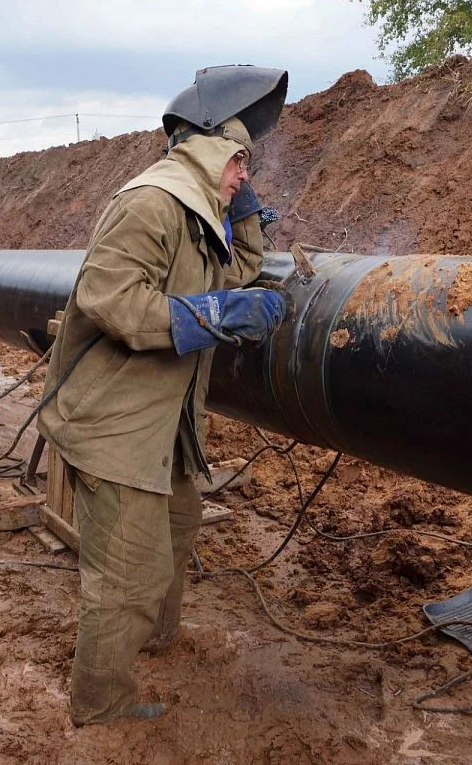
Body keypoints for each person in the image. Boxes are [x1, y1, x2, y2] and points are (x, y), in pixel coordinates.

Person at [37, 66, 290, 726]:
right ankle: (101, 701)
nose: (243, 174)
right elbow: (110, 299)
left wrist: (243, 210)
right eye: (239, 162)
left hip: (163, 421)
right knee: (127, 575)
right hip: (115, 422)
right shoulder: (148, 203)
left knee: (179, 527)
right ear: (209, 152)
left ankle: (150, 634)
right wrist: (216, 315)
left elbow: (232, 269)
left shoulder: (196, 210)